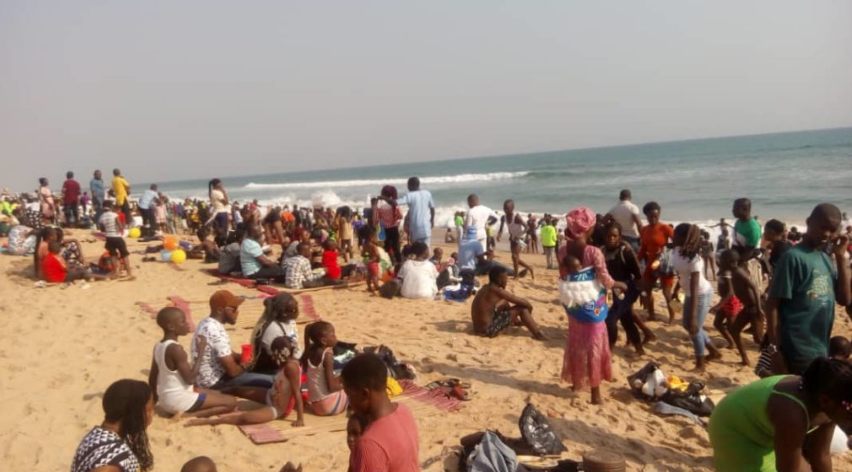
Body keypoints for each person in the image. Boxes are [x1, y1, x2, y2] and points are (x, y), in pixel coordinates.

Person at [708, 357, 852, 472]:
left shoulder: (831, 401)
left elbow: (821, 455)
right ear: (825, 400)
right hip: (735, 430)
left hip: (765, 432)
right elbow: (789, 469)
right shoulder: (793, 413)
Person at [766, 203, 851, 375]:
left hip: (819, 346)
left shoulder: (825, 259)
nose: (827, 234)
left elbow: (844, 299)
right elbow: (772, 305)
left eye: (832, 230)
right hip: (796, 347)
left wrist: (840, 257)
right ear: (808, 222)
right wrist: (775, 351)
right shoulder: (793, 258)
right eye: (822, 227)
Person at [559, 206, 625, 404]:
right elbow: (605, 280)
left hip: (572, 304)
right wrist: (619, 284)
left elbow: (564, 277)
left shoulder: (562, 251)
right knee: (594, 345)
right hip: (592, 306)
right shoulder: (594, 252)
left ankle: (577, 382)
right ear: (588, 230)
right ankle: (595, 394)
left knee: (577, 342)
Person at [186, 336, 305, 427]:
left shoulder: (291, 367)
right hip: (270, 394)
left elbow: (296, 392)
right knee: (237, 389)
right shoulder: (285, 364)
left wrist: (300, 418)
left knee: (246, 418)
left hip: (278, 408)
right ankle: (208, 395)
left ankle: (210, 421)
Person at [148, 307, 237, 418]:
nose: (187, 323)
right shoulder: (177, 350)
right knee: (231, 402)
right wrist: (201, 352)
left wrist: (154, 399)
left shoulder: (159, 346)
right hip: (179, 401)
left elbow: (152, 376)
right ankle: (188, 415)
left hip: (165, 401)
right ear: (171, 327)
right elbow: (190, 380)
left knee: (219, 394)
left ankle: (186, 408)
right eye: (183, 321)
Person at [342, 353, 420, 472]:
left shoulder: (370, 444)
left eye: (349, 395)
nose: (349, 403)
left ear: (365, 394)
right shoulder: (404, 411)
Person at [192, 291, 274, 390]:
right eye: (234, 309)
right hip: (214, 383)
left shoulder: (206, 323)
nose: (237, 312)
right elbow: (233, 372)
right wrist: (244, 366)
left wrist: (242, 358)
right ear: (219, 310)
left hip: (203, 379)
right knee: (271, 381)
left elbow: (226, 353)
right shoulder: (215, 331)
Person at [71, 379, 154, 472]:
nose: (152, 415)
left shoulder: (97, 435)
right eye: (149, 410)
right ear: (134, 414)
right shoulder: (109, 465)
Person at [671, 223, 722, 370]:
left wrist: (694, 317)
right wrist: (676, 289)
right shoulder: (677, 250)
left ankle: (700, 363)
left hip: (701, 294)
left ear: (685, 238)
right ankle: (713, 351)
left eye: (676, 235)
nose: (673, 237)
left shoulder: (695, 260)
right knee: (687, 325)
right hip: (689, 293)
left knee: (694, 328)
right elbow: (682, 275)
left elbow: (694, 288)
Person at [602, 221, 655, 355]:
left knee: (610, 319)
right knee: (627, 320)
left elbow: (638, 274)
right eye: (609, 236)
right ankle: (639, 349)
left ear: (620, 237)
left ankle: (610, 349)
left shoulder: (625, 252)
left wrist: (643, 293)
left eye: (615, 236)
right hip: (613, 289)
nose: (611, 239)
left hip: (628, 290)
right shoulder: (602, 251)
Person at [711, 249, 764, 366]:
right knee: (734, 330)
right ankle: (745, 359)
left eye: (722, 260)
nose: (720, 261)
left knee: (759, 339)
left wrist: (759, 308)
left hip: (754, 308)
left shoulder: (738, 271)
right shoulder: (731, 271)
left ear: (729, 262)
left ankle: (777, 358)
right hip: (747, 308)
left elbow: (754, 287)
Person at [471, 265, 544, 340]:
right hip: (487, 331)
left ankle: (516, 322)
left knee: (504, 301)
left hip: (477, 329)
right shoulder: (498, 291)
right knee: (522, 309)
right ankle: (538, 335)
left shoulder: (485, 287)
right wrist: (529, 309)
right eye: (505, 279)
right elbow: (524, 303)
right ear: (499, 280)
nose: (506, 281)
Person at [637, 201, 676, 323]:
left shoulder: (666, 228)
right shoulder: (644, 230)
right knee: (646, 290)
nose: (653, 219)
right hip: (651, 264)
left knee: (667, 293)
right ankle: (651, 315)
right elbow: (643, 248)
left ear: (659, 215)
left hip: (664, 265)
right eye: (650, 216)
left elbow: (678, 243)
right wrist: (636, 261)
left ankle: (672, 317)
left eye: (656, 216)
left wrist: (668, 248)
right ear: (646, 216)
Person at [248, 293, 302, 376]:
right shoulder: (273, 329)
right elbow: (282, 359)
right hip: (270, 371)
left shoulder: (289, 320)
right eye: (295, 310)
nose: (298, 311)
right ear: (284, 313)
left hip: (288, 361)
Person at [304, 321, 348, 416]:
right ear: (324, 341)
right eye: (333, 335)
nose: (336, 338)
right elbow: (331, 388)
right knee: (354, 386)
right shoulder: (327, 355)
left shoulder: (310, 350)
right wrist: (345, 386)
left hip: (317, 406)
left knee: (340, 376)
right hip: (329, 406)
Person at [382, 177, 434, 248]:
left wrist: (383, 198)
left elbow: (394, 203)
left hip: (416, 227)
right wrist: (432, 220)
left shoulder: (410, 195)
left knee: (417, 250)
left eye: (408, 185)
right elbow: (432, 208)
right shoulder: (427, 193)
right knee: (426, 249)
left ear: (410, 185)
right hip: (427, 226)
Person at [498, 199, 534, 280]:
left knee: (514, 256)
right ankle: (529, 267)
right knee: (515, 258)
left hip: (522, 238)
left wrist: (519, 235)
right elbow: (501, 228)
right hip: (513, 238)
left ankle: (516, 275)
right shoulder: (503, 217)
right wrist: (499, 235)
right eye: (504, 208)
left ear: (512, 208)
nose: (505, 210)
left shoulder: (516, 217)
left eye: (507, 208)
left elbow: (527, 227)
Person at [100, 202, 134, 279]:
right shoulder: (114, 215)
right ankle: (129, 273)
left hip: (108, 238)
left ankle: (116, 272)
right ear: (111, 207)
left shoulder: (102, 217)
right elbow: (121, 227)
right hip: (117, 237)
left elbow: (102, 229)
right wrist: (120, 228)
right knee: (124, 255)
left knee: (112, 255)